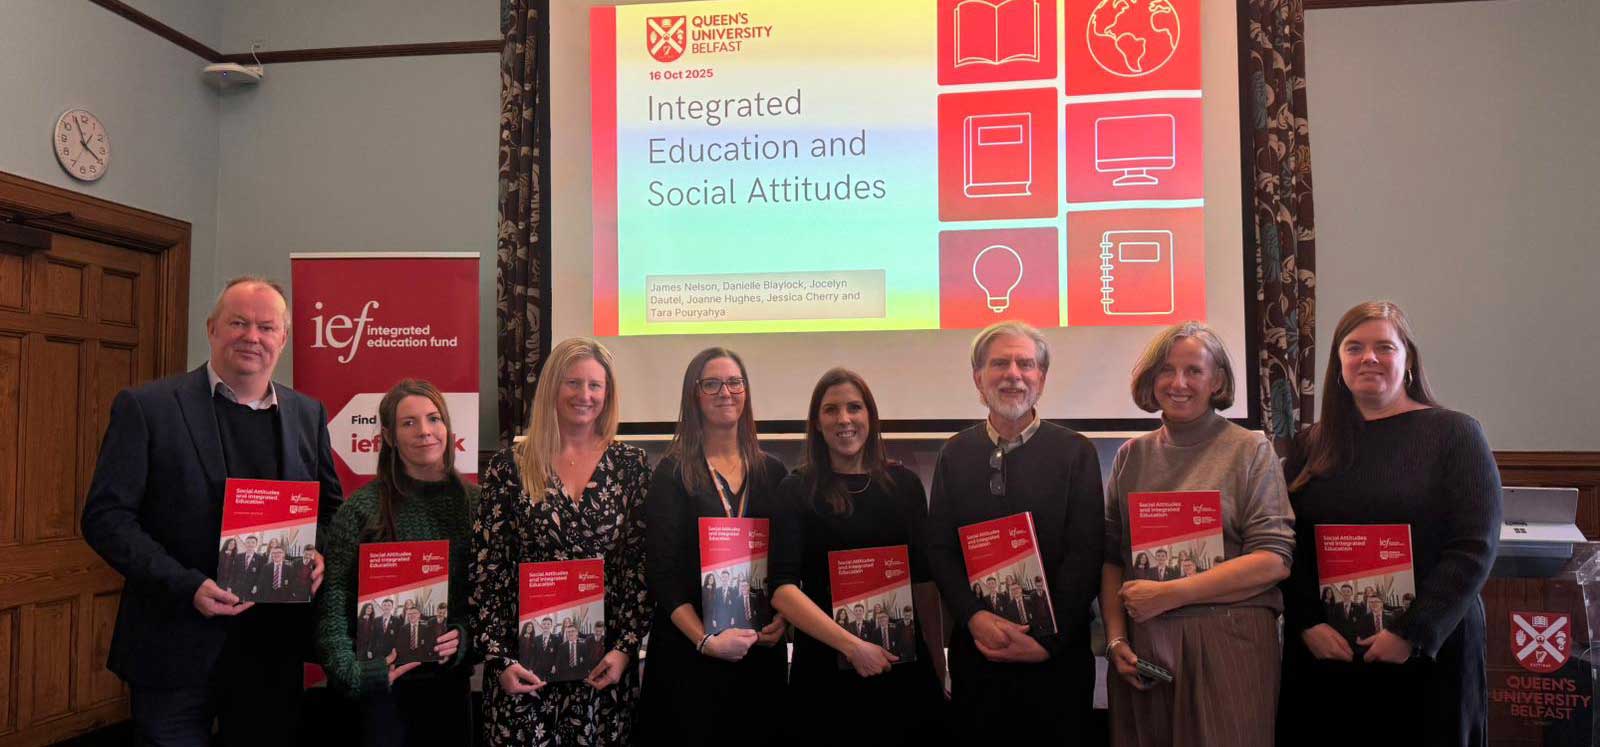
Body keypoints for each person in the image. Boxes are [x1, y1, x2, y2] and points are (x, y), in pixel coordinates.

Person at [80, 276, 342, 745]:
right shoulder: (148, 407)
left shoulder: (307, 413)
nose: (252, 337)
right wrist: (186, 585)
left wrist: (318, 552)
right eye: (238, 322)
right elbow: (106, 518)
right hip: (174, 641)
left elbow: (330, 507)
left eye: (266, 327)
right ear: (212, 328)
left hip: (271, 647)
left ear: (283, 338)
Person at [1278, 302, 1501, 747]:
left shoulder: (1455, 434)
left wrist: (1411, 634)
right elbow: (1286, 542)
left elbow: (1474, 546)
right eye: (1354, 347)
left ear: (1409, 360)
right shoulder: (1310, 444)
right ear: (1338, 363)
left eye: (1385, 346)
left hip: (1426, 654)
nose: (1369, 358)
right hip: (1328, 652)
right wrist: (1307, 622)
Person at [1098, 322, 1295, 747]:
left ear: (1217, 380)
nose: (1179, 383)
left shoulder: (1250, 450)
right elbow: (1112, 558)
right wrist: (1115, 639)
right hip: (1145, 648)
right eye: (1166, 370)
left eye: (1194, 370)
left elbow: (1274, 559)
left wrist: (1173, 594)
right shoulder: (1131, 457)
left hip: (1229, 642)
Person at [923, 322, 1104, 743]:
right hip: (979, 653)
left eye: (1026, 363)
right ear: (978, 379)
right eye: (999, 363)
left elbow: (1087, 551)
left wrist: (1049, 642)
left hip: (1056, 662)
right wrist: (974, 616)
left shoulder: (1076, 451)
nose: (1013, 374)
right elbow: (941, 549)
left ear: (1042, 377)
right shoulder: (954, 453)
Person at [470, 338, 651, 746]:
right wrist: (499, 659)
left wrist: (624, 649)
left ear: (608, 394)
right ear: (552, 386)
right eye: (573, 383)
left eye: (595, 386)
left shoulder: (630, 466)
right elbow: (489, 569)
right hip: (523, 671)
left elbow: (638, 567)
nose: (584, 395)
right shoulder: (509, 467)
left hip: (602, 670)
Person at [770, 368, 945, 746]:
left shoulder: (906, 487)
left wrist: (939, 666)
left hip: (902, 669)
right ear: (817, 423)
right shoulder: (795, 489)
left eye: (854, 407)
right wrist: (852, 646)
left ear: (870, 416)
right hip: (824, 673)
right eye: (831, 410)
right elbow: (782, 588)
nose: (844, 419)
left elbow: (925, 583)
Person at [636, 347, 789, 745]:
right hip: (692, 655)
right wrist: (705, 640)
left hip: (759, 653)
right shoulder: (672, 473)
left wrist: (783, 619)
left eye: (735, 382)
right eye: (712, 384)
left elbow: (788, 563)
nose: (726, 392)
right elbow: (661, 573)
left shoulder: (773, 472)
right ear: (694, 395)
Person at [314, 378, 478, 744]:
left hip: (448, 693)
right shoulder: (360, 509)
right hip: (380, 696)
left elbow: (492, 601)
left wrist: (465, 638)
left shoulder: (479, 507)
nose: (425, 431)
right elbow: (332, 606)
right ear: (388, 437)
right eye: (409, 422)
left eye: (434, 419)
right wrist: (354, 675)